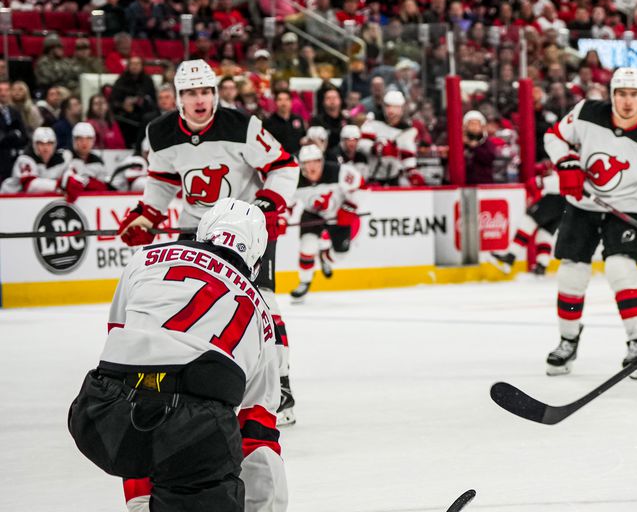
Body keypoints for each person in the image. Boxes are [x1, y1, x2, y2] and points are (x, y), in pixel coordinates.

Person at [67, 199, 303, 512]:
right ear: (257, 253)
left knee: (140, 401)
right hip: (189, 432)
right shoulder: (262, 315)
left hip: (99, 412)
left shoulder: (146, 259)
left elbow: (124, 343)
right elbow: (258, 444)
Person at [116, 60, 299, 427]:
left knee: (262, 302)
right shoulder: (160, 132)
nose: (199, 100)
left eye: (205, 92)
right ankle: (193, 381)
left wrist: (265, 204)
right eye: (190, 93)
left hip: (245, 226)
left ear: (215, 94)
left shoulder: (243, 126)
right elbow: (163, 182)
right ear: (178, 97)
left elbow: (284, 165)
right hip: (196, 229)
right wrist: (147, 216)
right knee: (189, 303)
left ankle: (280, 385)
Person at [541, 67, 637, 378]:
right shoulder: (586, 111)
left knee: (621, 270)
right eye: (622, 94)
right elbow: (554, 137)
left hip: (625, 211)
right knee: (571, 275)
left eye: (634, 94)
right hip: (581, 206)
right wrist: (566, 162)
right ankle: (568, 340)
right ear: (612, 94)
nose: (628, 101)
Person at [289, 145, 364, 302]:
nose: (312, 167)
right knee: (307, 246)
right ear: (301, 165)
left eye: (316, 162)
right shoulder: (295, 180)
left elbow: (361, 187)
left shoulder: (339, 172)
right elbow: (286, 204)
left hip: (337, 216)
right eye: (307, 163)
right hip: (313, 215)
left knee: (340, 255)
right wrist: (281, 218)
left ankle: (325, 256)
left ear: (322, 161)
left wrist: (348, 208)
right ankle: (305, 281)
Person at [491, 163, 563, 276]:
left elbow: (537, 183)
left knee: (528, 222)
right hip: (564, 204)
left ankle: (511, 256)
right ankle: (541, 266)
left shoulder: (566, 157)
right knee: (545, 234)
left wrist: (541, 181)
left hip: (553, 198)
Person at [358, 90, 422, 186]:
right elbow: (361, 144)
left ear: (401, 108)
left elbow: (407, 154)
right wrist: (375, 148)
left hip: (394, 177)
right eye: (388, 106)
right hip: (372, 175)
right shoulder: (373, 122)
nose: (391, 110)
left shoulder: (407, 130)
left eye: (395, 107)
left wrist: (411, 171)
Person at [0, 126, 77, 195]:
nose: (45, 148)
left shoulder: (62, 160)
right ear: (34, 144)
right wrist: (59, 185)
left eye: (49, 143)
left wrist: (70, 181)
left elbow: (72, 177)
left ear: (55, 144)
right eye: (41, 144)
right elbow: (29, 185)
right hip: (8, 201)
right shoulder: (25, 159)